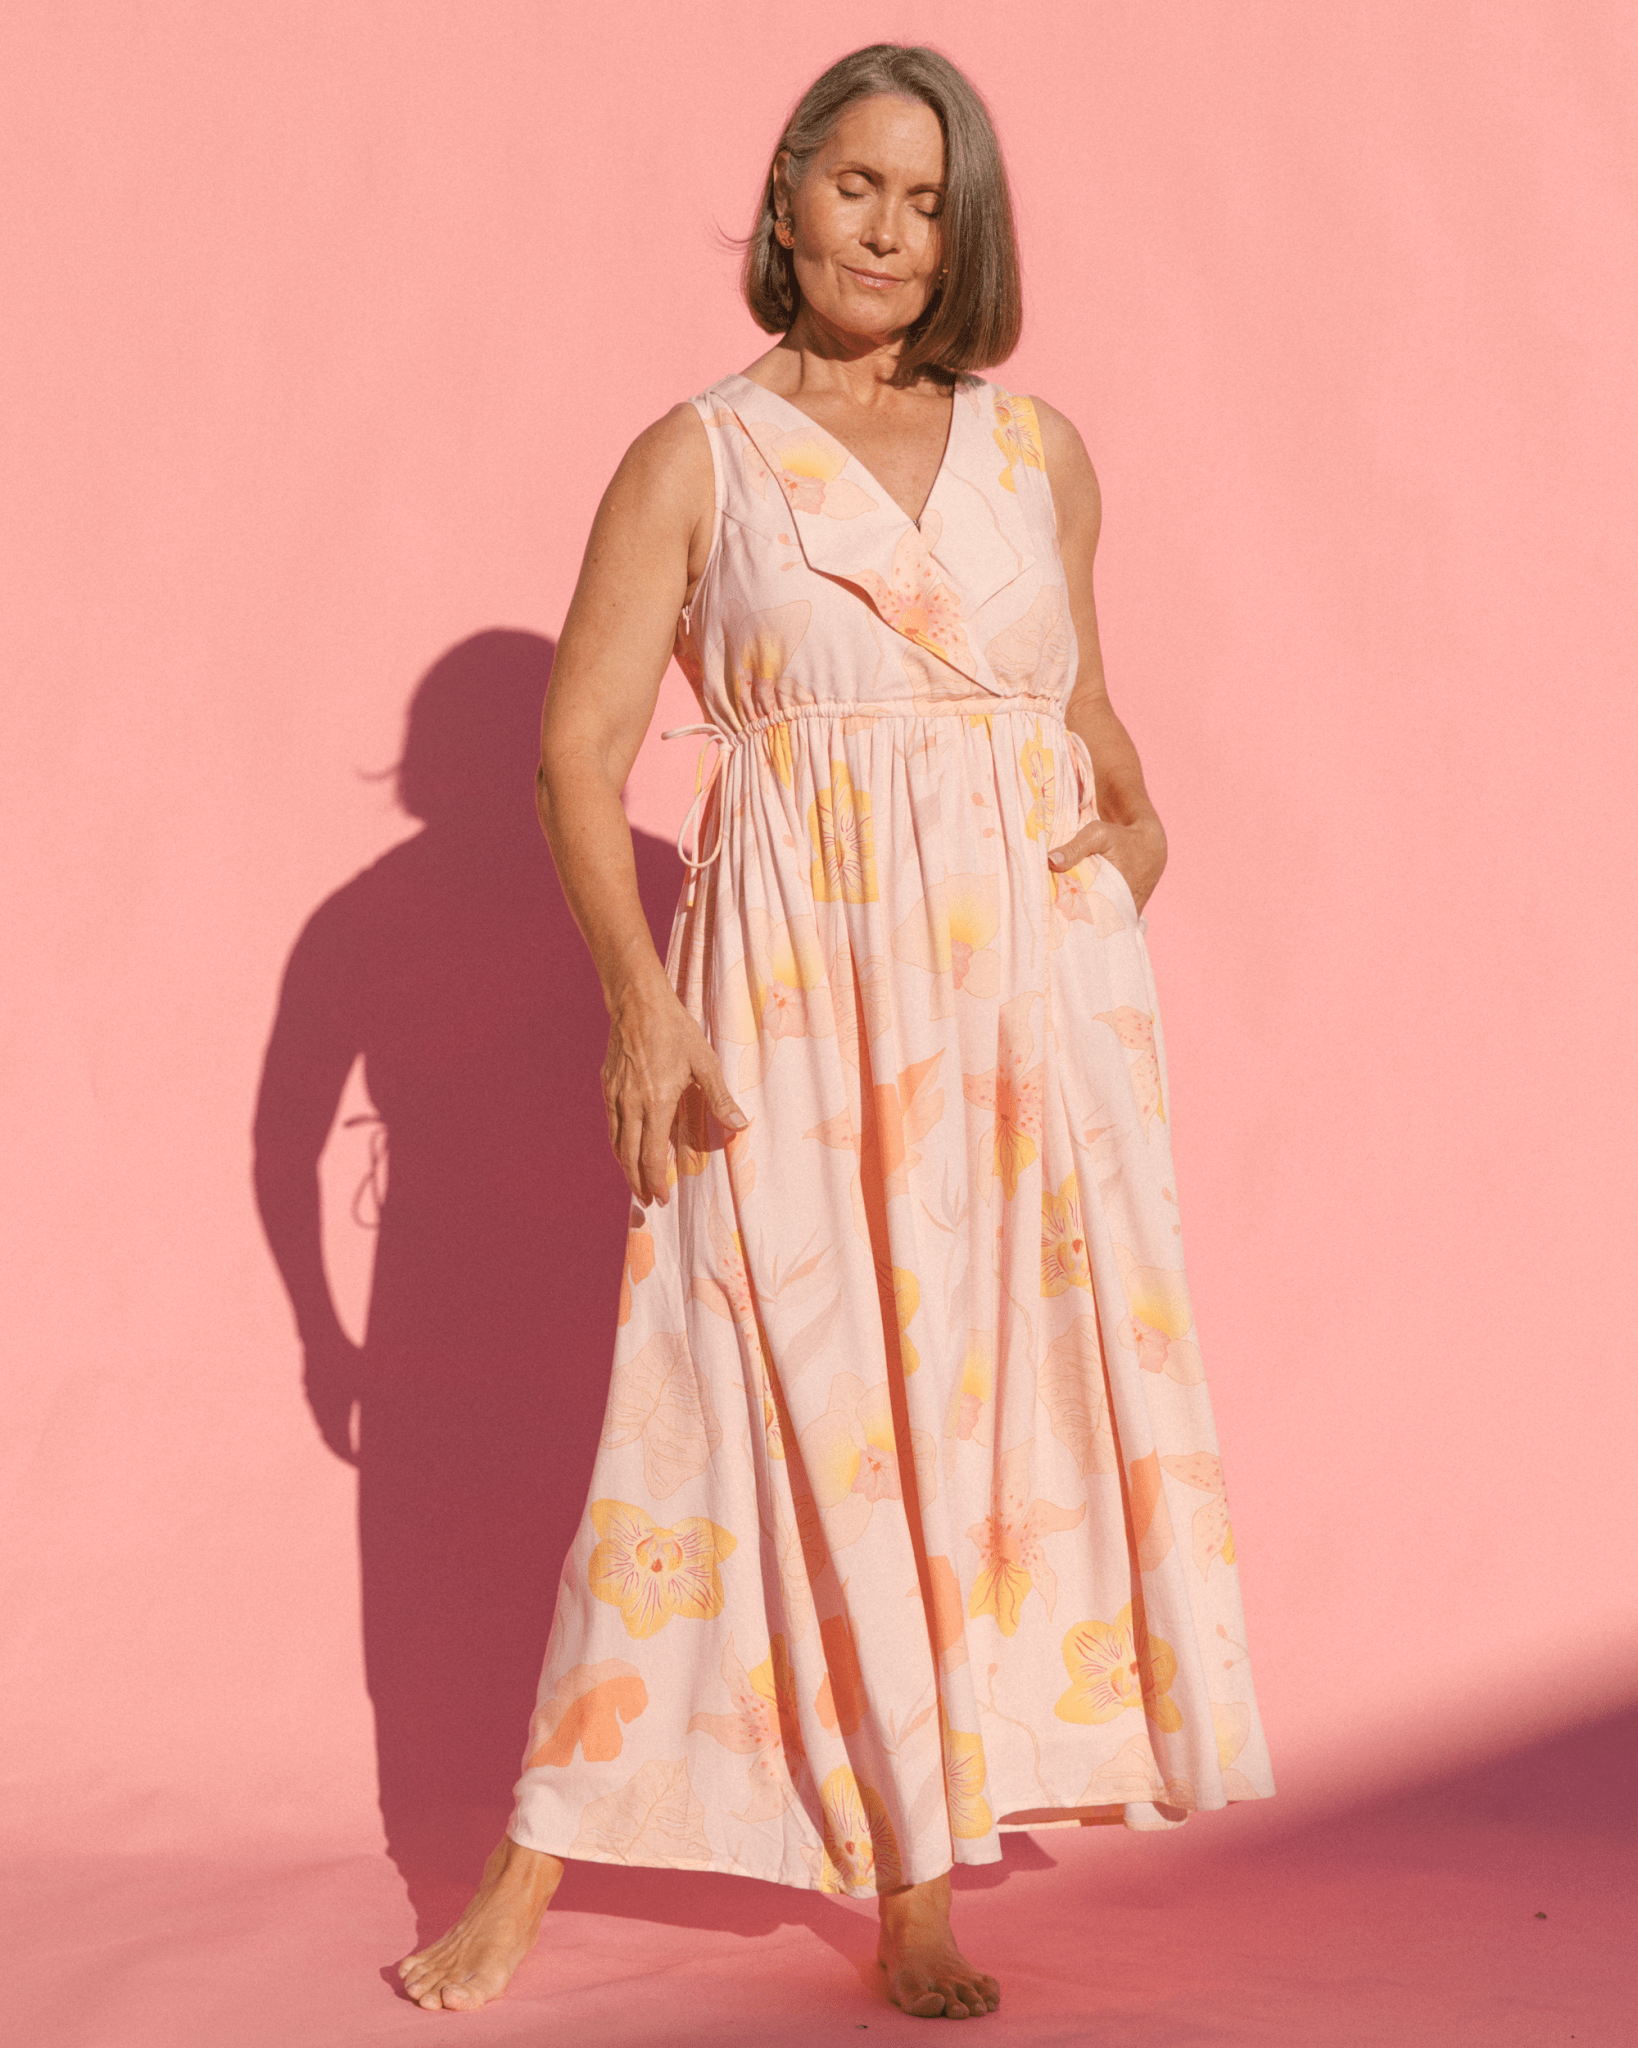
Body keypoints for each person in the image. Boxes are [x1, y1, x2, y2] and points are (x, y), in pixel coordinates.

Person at [400, 41, 1273, 2021]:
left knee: (970, 1416)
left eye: (930, 201)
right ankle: (528, 1861)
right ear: (789, 194)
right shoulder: (696, 457)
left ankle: (915, 1888)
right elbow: (574, 753)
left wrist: (1132, 849)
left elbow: (1088, 724)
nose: (890, 230)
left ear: (968, 237)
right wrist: (640, 1013)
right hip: (790, 999)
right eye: (859, 185)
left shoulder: (1041, 455)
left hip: (1025, 1016)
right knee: (715, 1392)